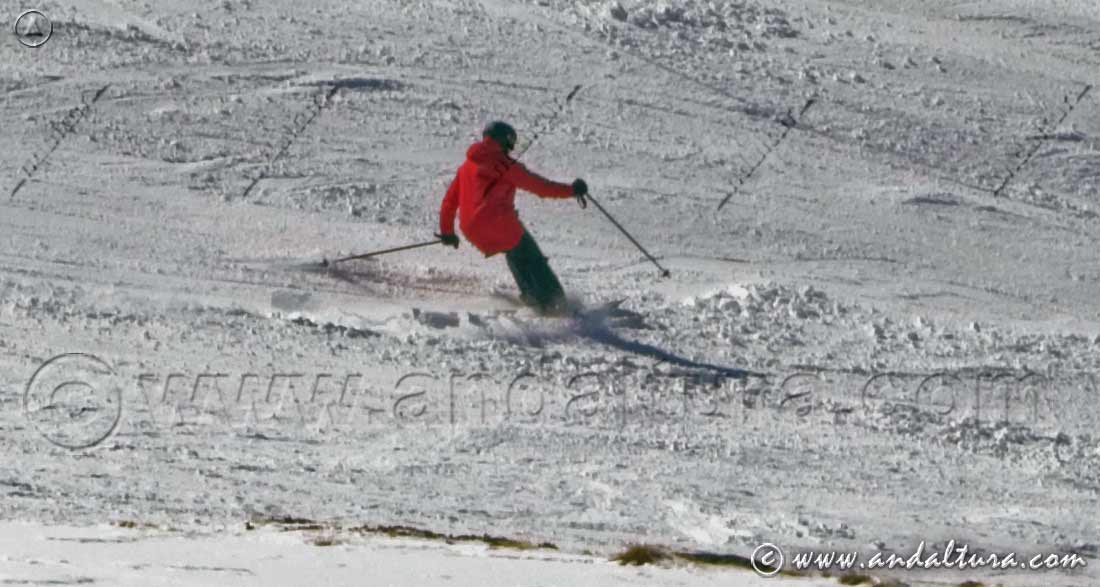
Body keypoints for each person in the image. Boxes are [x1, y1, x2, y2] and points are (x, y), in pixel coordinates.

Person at [436, 121, 588, 314]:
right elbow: (540, 187)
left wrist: (447, 232)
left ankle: (532, 297)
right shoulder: (507, 166)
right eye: (510, 143)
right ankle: (555, 304)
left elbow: (449, 201)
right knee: (531, 255)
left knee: (514, 250)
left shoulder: (467, 165)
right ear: (504, 140)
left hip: (471, 228)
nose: (511, 148)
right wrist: (572, 191)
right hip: (498, 222)